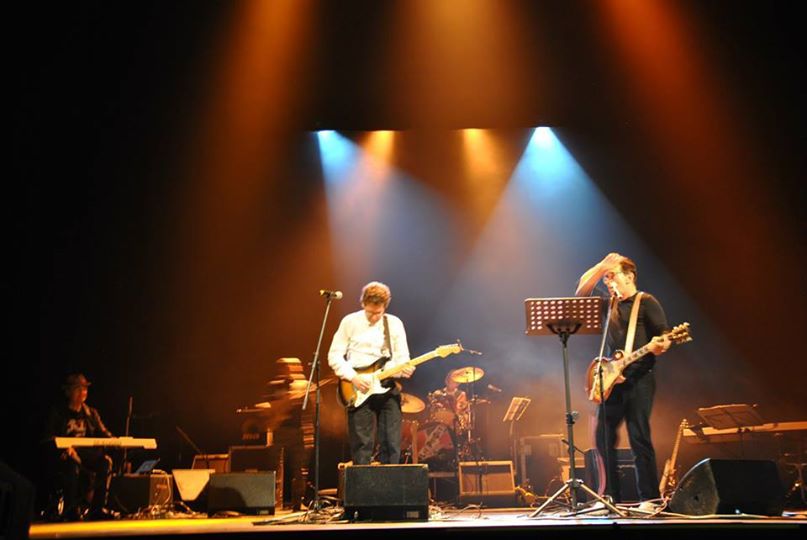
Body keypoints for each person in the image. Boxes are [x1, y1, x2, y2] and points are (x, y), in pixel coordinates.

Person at [575, 253, 671, 506]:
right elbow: (581, 291)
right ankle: (608, 497)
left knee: (639, 437)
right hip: (611, 381)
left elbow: (665, 337)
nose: (607, 281)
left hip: (640, 378)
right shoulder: (609, 305)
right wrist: (601, 267)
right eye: (606, 278)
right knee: (602, 438)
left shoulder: (646, 302)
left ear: (629, 276)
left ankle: (650, 498)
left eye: (612, 276)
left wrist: (661, 345)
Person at [328, 281, 415, 465]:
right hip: (357, 387)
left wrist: (404, 369)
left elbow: (402, 357)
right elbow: (334, 355)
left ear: (385, 307)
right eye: (370, 312)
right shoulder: (350, 322)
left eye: (378, 313)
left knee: (391, 443)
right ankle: (362, 482)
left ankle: (390, 481)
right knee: (362, 445)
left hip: (386, 385)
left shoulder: (394, 324)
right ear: (363, 304)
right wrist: (353, 377)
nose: (374, 317)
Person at [44, 373, 115, 521]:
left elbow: (103, 432)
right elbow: (49, 437)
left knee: (105, 462)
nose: (82, 392)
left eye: (84, 389)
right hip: (65, 454)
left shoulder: (91, 413)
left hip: (85, 453)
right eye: (78, 388)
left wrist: (115, 441)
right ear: (68, 391)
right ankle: (70, 510)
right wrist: (64, 448)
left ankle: (97, 509)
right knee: (71, 464)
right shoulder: (58, 412)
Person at [258, 357, 313, 511]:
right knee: (273, 467)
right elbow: (265, 406)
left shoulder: (303, 385)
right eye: (285, 366)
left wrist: (309, 433)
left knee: (299, 470)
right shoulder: (273, 386)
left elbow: (309, 410)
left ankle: (297, 502)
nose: (289, 369)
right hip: (279, 431)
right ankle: (268, 501)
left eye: (293, 366)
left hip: (296, 431)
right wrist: (276, 410)